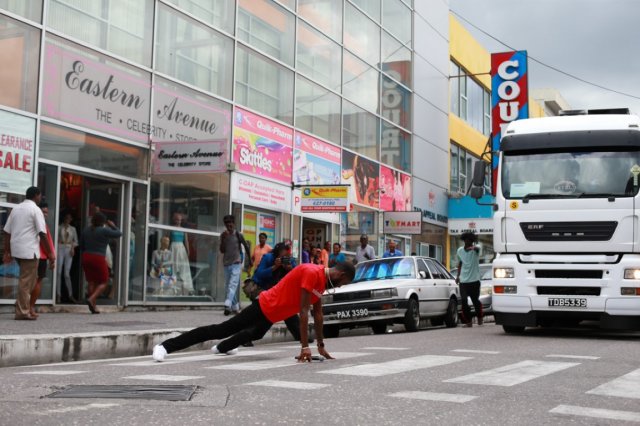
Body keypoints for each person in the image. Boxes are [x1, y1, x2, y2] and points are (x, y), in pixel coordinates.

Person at [152, 262, 356, 362]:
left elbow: (317, 314)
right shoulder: (312, 273)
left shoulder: (323, 283)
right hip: (265, 305)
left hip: (274, 313)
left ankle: (223, 348)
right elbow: (304, 311)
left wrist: (320, 345)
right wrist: (304, 347)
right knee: (220, 329)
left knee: (255, 333)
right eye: (343, 283)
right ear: (341, 274)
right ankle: (165, 346)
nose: (339, 287)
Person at [3, 186, 55, 320]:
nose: (40, 198)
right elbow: (42, 234)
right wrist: (50, 253)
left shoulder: (16, 209)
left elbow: (7, 232)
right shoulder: (35, 210)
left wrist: (8, 250)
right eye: (40, 196)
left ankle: (21, 303)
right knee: (26, 281)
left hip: (17, 250)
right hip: (29, 250)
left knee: (30, 280)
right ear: (36, 195)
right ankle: (22, 312)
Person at [252, 241, 303, 340]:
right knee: (260, 316)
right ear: (277, 252)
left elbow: (299, 275)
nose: (286, 256)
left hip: (279, 292)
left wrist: (290, 269)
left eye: (288, 253)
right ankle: (248, 337)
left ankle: (300, 336)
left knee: (289, 312)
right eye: (283, 253)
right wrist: (274, 267)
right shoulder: (268, 257)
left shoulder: (290, 261)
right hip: (264, 291)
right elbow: (259, 274)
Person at [80, 211, 122, 314]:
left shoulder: (86, 230)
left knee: (91, 281)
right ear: (103, 222)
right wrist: (113, 226)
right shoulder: (104, 230)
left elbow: (81, 245)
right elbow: (119, 233)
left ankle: (93, 306)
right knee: (104, 281)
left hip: (86, 256)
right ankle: (91, 299)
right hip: (98, 257)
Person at [220, 214, 252, 315]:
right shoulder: (223, 235)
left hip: (236, 263)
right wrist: (224, 239)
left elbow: (246, 247)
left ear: (233, 224)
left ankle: (227, 304)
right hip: (226, 263)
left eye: (230, 223)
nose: (229, 225)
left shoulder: (238, 234)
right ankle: (235, 307)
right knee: (228, 286)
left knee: (232, 284)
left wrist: (249, 260)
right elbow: (222, 250)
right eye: (227, 224)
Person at [30, 203, 56, 318]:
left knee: (31, 282)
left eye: (46, 212)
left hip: (37, 255)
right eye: (43, 212)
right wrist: (52, 256)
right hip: (40, 256)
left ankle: (27, 306)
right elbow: (46, 241)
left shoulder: (40, 224)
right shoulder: (41, 225)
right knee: (37, 282)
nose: (45, 215)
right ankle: (30, 307)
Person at [455, 231, 483, 327]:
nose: (468, 243)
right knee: (463, 300)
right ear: (464, 241)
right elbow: (460, 263)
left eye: (470, 241)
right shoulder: (459, 251)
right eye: (466, 241)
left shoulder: (476, 250)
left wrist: (474, 248)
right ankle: (468, 321)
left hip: (474, 280)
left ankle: (479, 317)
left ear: (472, 241)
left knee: (475, 301)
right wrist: (458, 276)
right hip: (463, 281)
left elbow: (478, 248)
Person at [57, 212, 78, 303]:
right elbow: (56, 239)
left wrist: (73, 248)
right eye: (66, 218)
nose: (68, 220)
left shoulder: (73, 229)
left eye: (69, 218)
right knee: (58, 272)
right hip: (60, 248)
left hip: (69, 249)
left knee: (66, 273)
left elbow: (76, 241)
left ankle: (70, 295)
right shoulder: (58, 227)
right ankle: (58, 295)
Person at [170, 212, 193, 295]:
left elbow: (186, 240)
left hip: (181, 248)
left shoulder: (183, 229)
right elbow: (167, 238)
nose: (178, 221)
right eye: (177, 220)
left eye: (180, 220)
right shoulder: (171, 228)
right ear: (174, 220)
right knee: (173, 266)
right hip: (173, 247)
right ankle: (172, 287)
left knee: (183, 267)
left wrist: (188, 250)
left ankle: (185, 287)